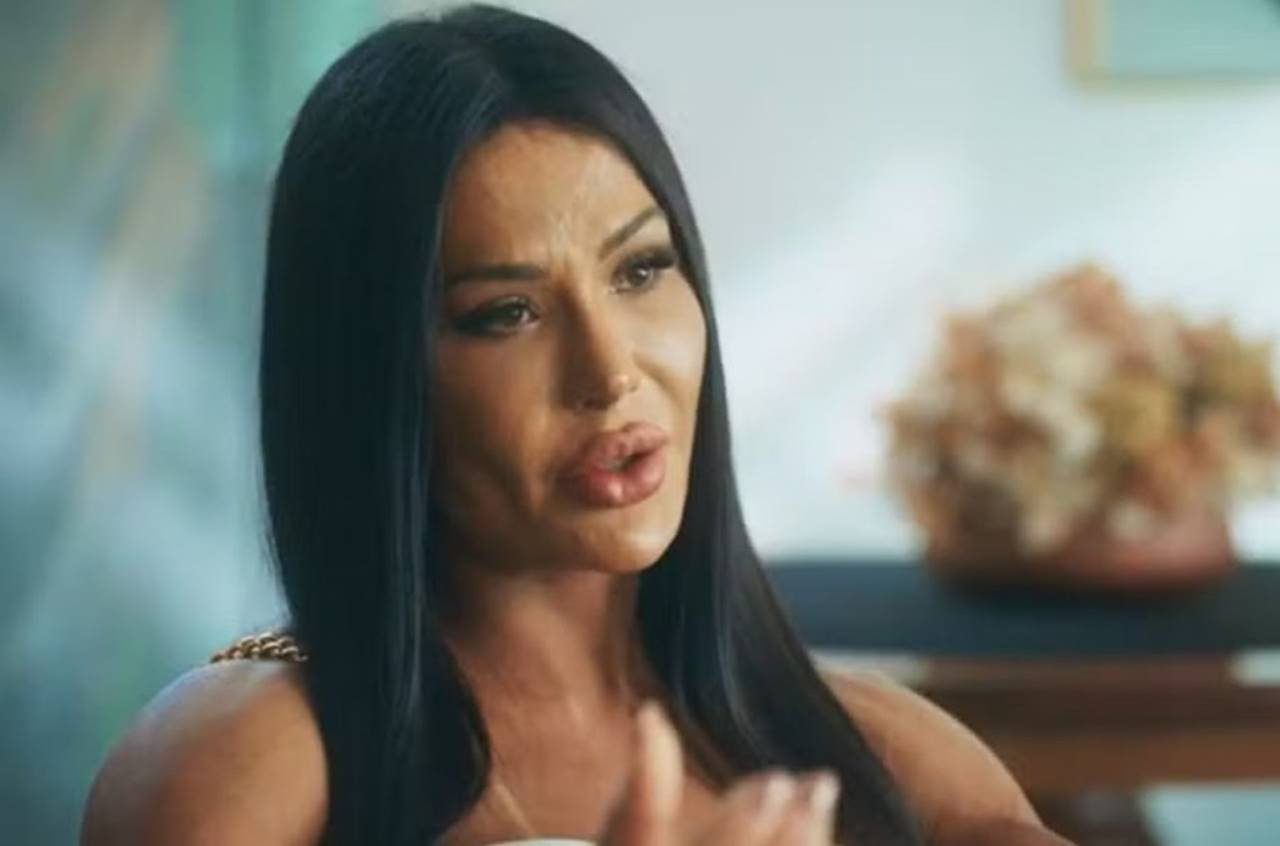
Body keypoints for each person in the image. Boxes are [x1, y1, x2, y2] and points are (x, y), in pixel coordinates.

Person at [81, 6, 1071, 845]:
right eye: (504, 314)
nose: (610, 372)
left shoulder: (888, 756)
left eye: (641, 270)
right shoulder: (242, 761)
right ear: (370, 373)